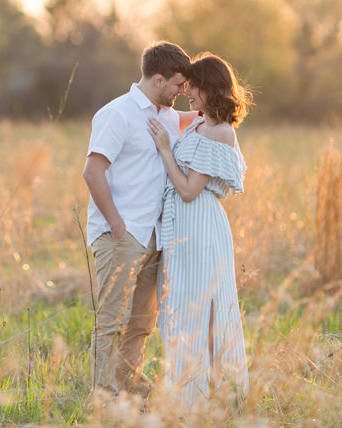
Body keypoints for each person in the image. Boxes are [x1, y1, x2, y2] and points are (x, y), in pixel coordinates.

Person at [82, 41, 192, 400]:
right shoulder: (118, 114)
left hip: (155, 236)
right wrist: (116, 225)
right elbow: (93, 171)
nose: (182, 91)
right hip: (122, 234)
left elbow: (210, 117)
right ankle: (103, 394)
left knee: (141, 323)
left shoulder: (168, 116)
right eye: (178, 84)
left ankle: (127, 384)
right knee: (112, 320)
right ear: (158, 79)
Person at [147, 52, 252, 407]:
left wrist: (164, 150)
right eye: (186, 85)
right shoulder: (199, 123)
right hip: (181, 229)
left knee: (203, 309)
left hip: (202, 227)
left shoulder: (221, 132)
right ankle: (188, 394)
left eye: (193, 86)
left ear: (211, 87)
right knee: (180, 307)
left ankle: (212, 398)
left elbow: (190, 190)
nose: (187, 92)